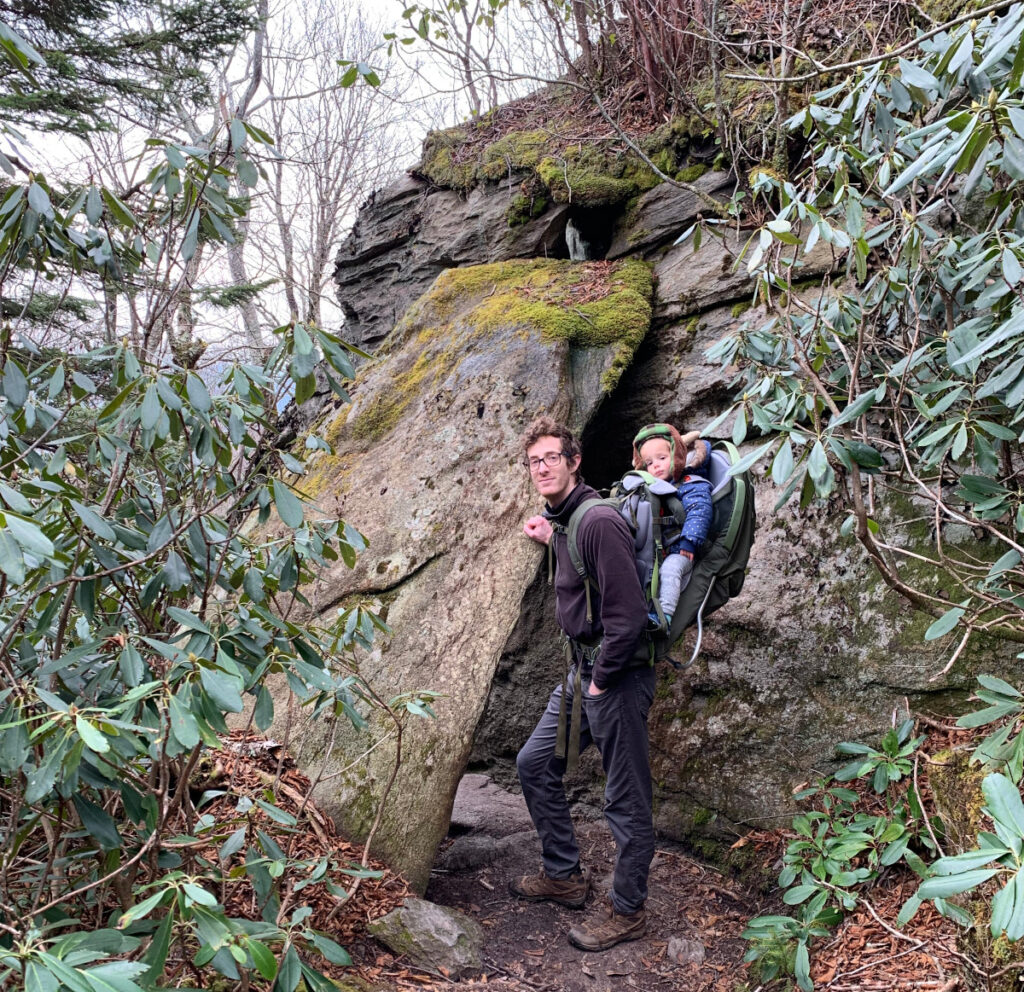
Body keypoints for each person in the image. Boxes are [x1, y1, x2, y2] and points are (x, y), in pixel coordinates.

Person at [512, 415, 653, 952]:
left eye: (551, 458)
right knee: (533, 763)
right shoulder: (569, 522)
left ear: (574, 462)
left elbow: (629, 616)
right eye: (534, 461)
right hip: (583, 672)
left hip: (613, 677)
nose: (542, 467)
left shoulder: (596, 521)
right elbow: (584, 573)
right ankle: (565, 875)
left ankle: (627, 910)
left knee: (625, 798)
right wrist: (550, 537)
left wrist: (600, 685)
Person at [632, 423, 713, 628]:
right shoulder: (650, 488)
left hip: (682, 551)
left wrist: (689, 543)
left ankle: (663, 617)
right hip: (658, 550)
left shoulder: (691, 484)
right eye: (649, 463)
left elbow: (699, 512)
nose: (656, 466)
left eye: (662, 458)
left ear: (677, 456)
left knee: (669, 571)